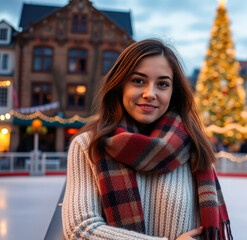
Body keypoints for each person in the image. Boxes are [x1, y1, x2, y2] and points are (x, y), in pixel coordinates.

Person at [62, 39, 232, 240]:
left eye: (162, 84)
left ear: (172, 91)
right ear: (120, 85)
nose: (150, 94)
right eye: (138, 81)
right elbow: (80, 228)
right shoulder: (88, 145)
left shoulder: (192, 144)